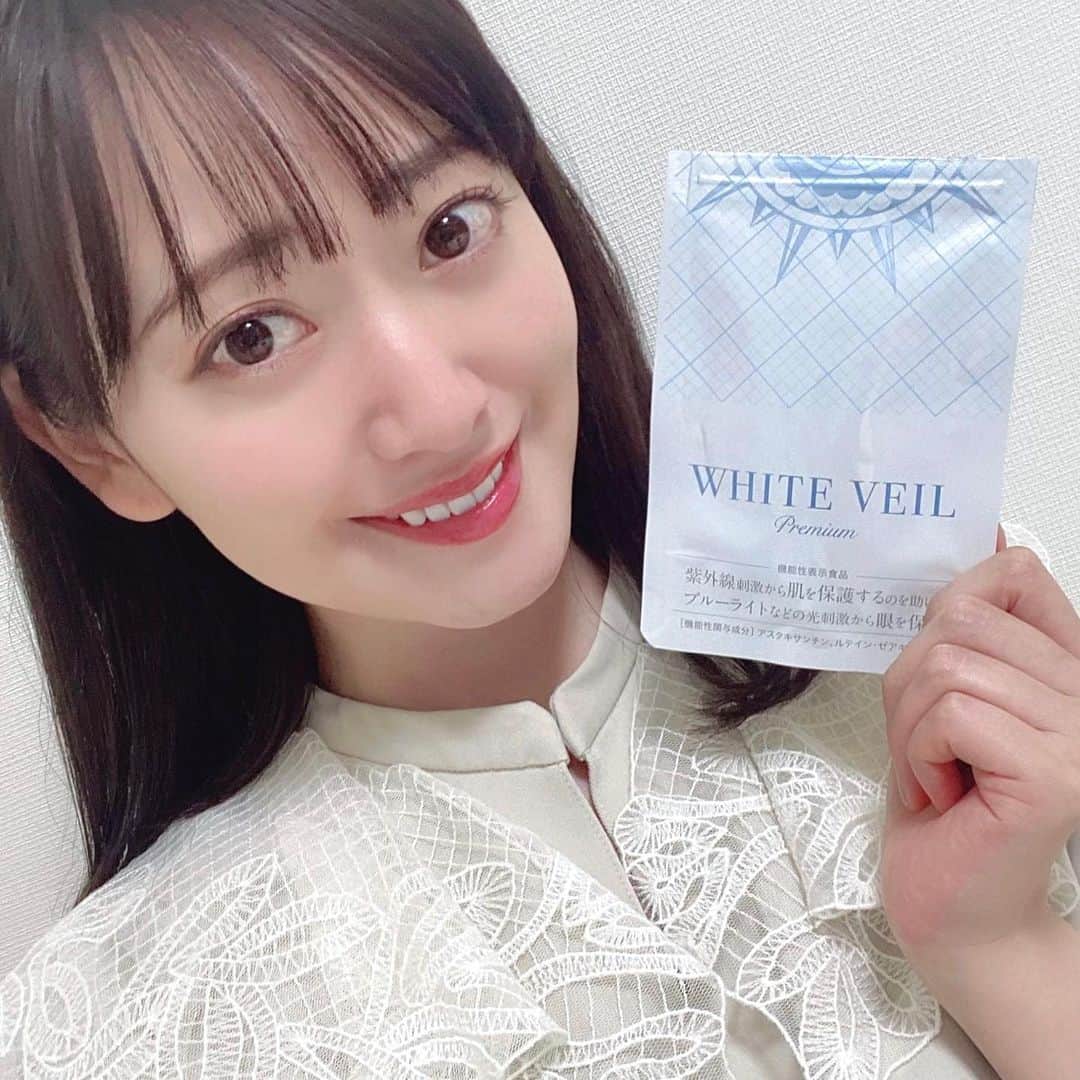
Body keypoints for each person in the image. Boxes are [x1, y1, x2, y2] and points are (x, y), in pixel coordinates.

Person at [1, 2, 1078, 1077]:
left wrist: (1000, 943)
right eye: (251, 337)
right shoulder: (123, 1027)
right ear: (95, 445)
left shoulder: (948, 683)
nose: (439, 410)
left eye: (449, 230)